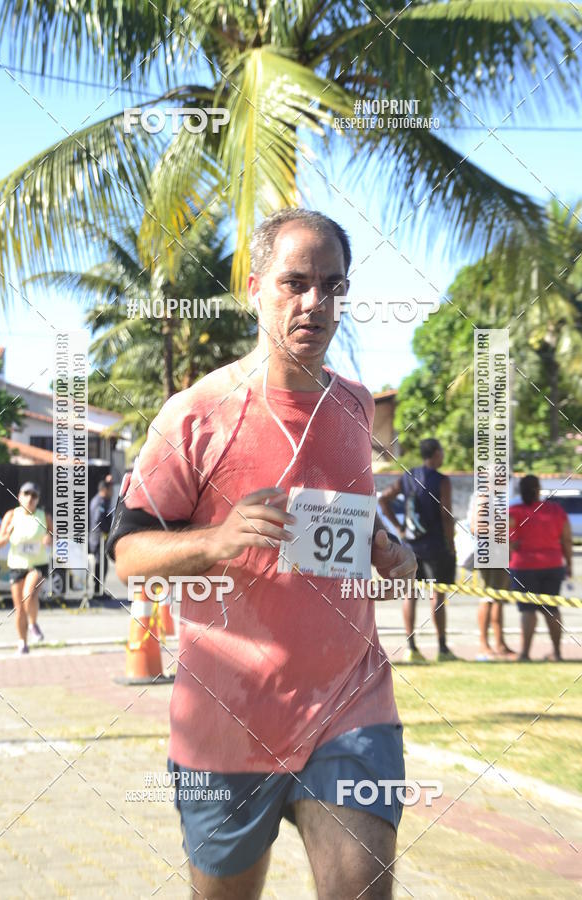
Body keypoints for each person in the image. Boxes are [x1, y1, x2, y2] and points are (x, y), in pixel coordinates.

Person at [108, 208, 417, 899]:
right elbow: (126, 553)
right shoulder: (197, 412)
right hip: (228, 720)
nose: (316, 302)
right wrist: (217, 540)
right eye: (295, 282)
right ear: (254, 287)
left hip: (350, 705)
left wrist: (389, 551)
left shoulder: (356, 407)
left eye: (333, 286)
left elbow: (351, 523)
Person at [381, 439, 457, 663]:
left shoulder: (408, 477)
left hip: (411, 546)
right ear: (436, 454)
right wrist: (451, 545)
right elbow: (446, 515)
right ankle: (442, 648)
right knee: (437, 595)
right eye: (441, 451)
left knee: (410, 595)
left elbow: (384, 499)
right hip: (436, 546)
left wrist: (399, 528)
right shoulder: (442, 481)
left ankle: (411, 647)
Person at [509, 475, 572, 662]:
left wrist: (514, 545)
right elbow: (567, 539)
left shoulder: (514, 512)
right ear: (538, 489)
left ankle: (525, 653)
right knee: (551, 609)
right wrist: (569, 563)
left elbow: (503, 540)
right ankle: (557, 653)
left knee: (527, 610)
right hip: (552, 564)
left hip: (523, 566)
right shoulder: (556, 510)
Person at [0, 482, 53, 655]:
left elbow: (53, 535)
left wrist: (49, 539)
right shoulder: (11, 515)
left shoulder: (43, 516)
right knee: (19, 608)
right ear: (20, 497)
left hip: (37, 564)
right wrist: (8, 533)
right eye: (26, 494)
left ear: (38, 499)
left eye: (34, 495)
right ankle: (22, 643)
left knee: (29, 594)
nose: (30, 498)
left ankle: (33, 624)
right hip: (17, 565)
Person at [467, 491, 517, 660]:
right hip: (490, 554)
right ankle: (483, 644)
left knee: (498, 600)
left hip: (498, 553)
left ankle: (499, 643)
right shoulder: (484, 497)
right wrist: (502, 530)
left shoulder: (496, 497)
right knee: (487, 599)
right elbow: (476, 527)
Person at [89, 479, 114, 596]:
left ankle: (99, 590)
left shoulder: (102, 501)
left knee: (102, 565)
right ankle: (97, 592)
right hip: (98, 538)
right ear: (104, 490)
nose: (112, 492)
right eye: (110, 489)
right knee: (101, 565)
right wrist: (108, 531)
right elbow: (98, 520)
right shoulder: (99, 502)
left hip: (99, 538)